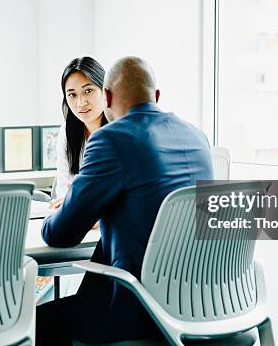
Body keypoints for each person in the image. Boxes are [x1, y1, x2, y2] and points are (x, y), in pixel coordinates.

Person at [36, 56, 214, 345]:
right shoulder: (198, 136)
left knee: (33, 323)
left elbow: (61, 234)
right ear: (156, 96)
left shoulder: (110, 139)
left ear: (106, 96)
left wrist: (49, 216)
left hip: (139, 310)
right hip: (203, 307)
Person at [51, 56, 108, 207]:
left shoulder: (120, 131)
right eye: (72, 95)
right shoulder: (66, 131)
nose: (81, 103)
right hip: (79, 217)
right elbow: (63, 189)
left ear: (104, 89)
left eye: (88, 91)